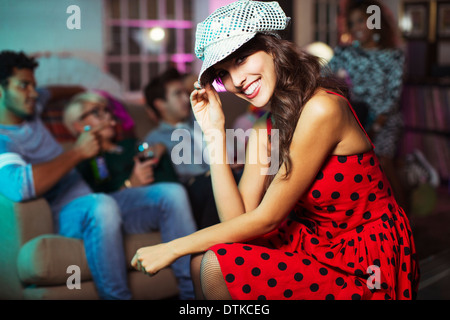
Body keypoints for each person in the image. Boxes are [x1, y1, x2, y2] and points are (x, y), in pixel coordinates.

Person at [132, 0, 420, 300]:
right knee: (201, 264)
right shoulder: (263, 129)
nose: (237, 81)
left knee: (212, 264)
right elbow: (235, 221)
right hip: (314, 243)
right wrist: (214, 133)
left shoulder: (323, 108)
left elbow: (267, 218)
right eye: (224, 74)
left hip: (360, 255)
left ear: (272, 48)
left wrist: (173, 247)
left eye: (242, 59)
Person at [0, 50, 195, 300]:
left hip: (101, 202)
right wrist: (77, 153)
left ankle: (192, 296)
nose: (35, 93)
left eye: (35, 85)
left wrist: (79, 87)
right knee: (100, 205)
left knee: (172, 194)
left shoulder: (33, 106)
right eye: (24, 85)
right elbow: (18, 186)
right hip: (64, 215)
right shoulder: (4, 140)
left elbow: (59, 90)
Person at [327, 0, 408, 208]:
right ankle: (371, 213)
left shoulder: (393, 55)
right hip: (359, 116)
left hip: (386, 118)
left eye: (361, 21)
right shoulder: (346, 53)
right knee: (359, 168)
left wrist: (377, 125)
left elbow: (394, 94)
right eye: (352, 23)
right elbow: (322, 74)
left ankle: (403, 214)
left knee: (383, 162)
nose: (357, 27)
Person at [143, 68, 221, 229]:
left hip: (216, 177)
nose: (186, 98)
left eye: (185, 92)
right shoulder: (156, 138)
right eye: (178, 94)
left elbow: (196, 81)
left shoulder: (198, 120)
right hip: (193, 190)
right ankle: (209, 249)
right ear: (160, 104)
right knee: (213, 184)